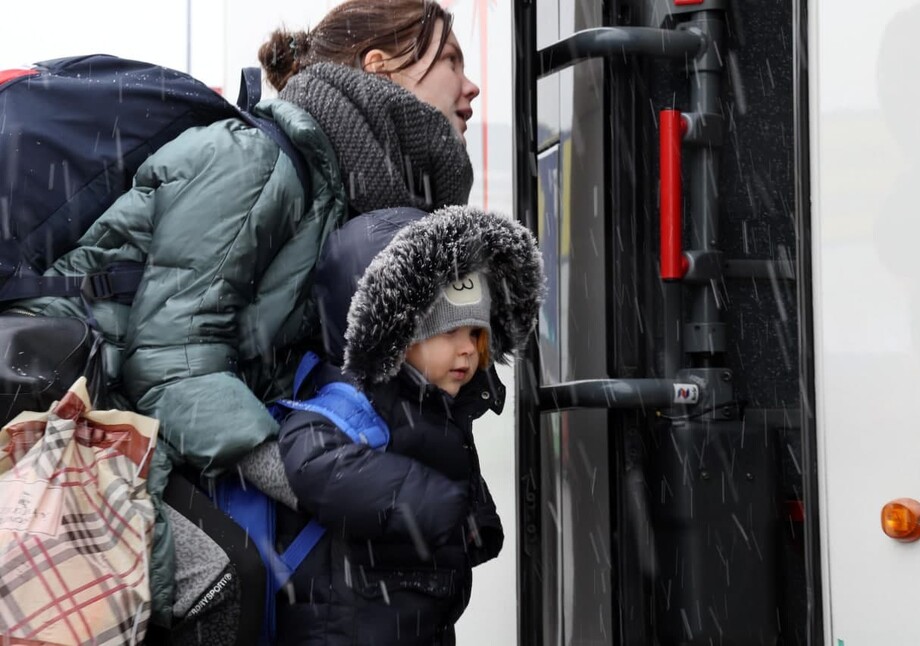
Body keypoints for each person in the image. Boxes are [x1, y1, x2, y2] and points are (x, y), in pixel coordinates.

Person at [9, 0, 481, 642]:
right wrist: (308, 479)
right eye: (450, 58)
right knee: (226, 581)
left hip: (148, 418)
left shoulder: (342, 192)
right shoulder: (254, 164)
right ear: (381, 66)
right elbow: (172, 365)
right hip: (88, 409)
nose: (471, 82)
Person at [275, 205, 544, 645]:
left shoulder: (435, 407)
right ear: (393, 334)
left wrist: (472, 524)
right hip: (346, 626)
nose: (467, 352)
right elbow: (312, 460)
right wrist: (427, 501)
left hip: (414, 620)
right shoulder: (349, 405)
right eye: (448, 333)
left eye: (475, 334)